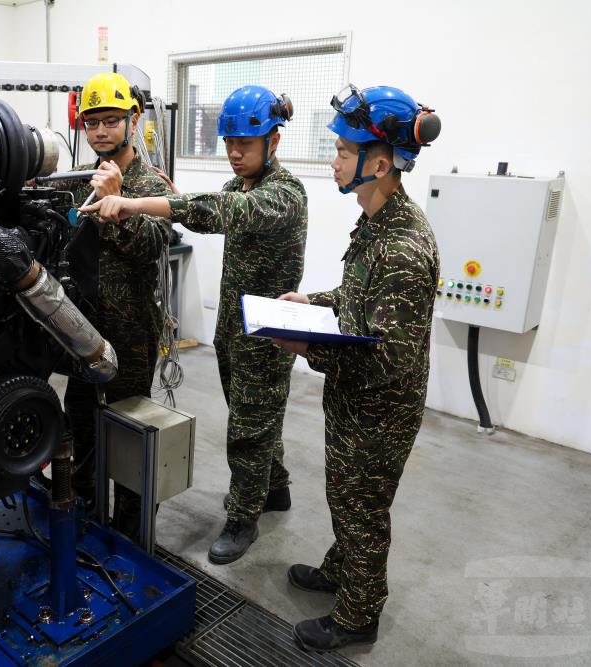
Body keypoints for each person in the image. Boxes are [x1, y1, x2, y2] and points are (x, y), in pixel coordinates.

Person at [80, 85, 308, 564]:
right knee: (261, 416)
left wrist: (138, 202)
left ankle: (244, 518)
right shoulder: (238, 186)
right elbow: (210, 214)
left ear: (275, 141)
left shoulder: (284, 194)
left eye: (245, 143)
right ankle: (277, 487)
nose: (235, 153)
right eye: (228, 143)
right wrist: (176, 198)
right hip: (234, 325)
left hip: (268, 334)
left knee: (248, 427)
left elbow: (223, 213)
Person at [272, 84, 442, 651]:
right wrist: (312, 306)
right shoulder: (376, 222)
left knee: (363, 509)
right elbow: (356, 298)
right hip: (355, 405)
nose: (335, 160)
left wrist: (305, 347)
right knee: (347, 498)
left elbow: (390, 355)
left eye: (344, 151)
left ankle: (357, 616)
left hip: (379, 412)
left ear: (381, 162)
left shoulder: (404, 247)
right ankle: (341, 571)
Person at [51, 72, 172, 538]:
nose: (100, 132)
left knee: (128, 435)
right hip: (84, 334)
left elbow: (153, 243)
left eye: (111, 121)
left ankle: (129, 531)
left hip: (130, 337)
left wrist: (118, 200)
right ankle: (80, 513)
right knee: (79, 428)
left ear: (133, 120)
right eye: (92, 123)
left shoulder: (148, 183)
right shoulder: (82, 181)